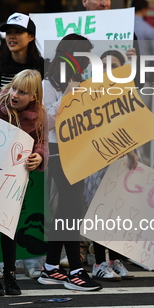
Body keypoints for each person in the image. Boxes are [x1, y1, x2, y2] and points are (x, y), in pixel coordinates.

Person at [39, 33, 102, 291]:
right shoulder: (47, 85)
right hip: (56, 151)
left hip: (77, 150)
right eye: (85, 57)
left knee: (67, 209)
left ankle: (51, 267)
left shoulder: (80, 80)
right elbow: (46, 124)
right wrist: (66, 97)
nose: (88, 63)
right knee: (72, 208)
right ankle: (75, 270)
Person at [0, 69, 47, 296]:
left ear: (34, 96)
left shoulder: (40, 115)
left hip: (14, 180)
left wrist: (39, 156)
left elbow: (41, 143)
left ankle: (10, 274)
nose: (15, 95)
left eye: (23, 92)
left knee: (9, 228)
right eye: (14, 88)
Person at [82, 50, 138, 282]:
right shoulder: (90, 91)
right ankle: (98, 263)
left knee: (118, 210)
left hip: (123, 157)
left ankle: (115, 260)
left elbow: (134, 123)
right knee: (99, 210)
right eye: (104, 65)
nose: (109, 69)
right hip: (97, 159)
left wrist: (132, 150)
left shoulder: (126, 91)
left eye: (114, 65)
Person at [0, 12, 43, 97]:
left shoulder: (43, 67)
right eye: (8, 32)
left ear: (31, 37)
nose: (12, 36)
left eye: (18, 32)